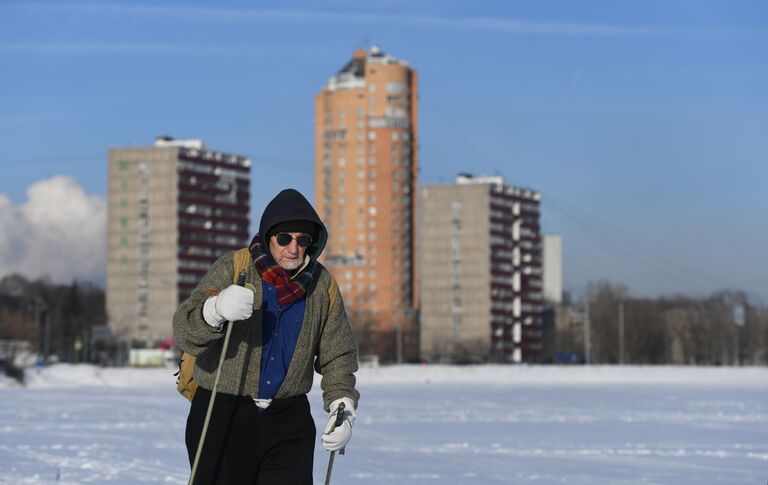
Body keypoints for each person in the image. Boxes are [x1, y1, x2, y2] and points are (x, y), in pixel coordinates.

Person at [173, 188, 360, 484]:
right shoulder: (233, 269)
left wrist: (342, 404)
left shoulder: (322, 286)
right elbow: (185, 330)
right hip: (223, 412)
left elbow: (338, 354)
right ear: (269, 237)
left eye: (303, 240)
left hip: (289, 420)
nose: (293, 248)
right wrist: (215, 309)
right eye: (284, 238)